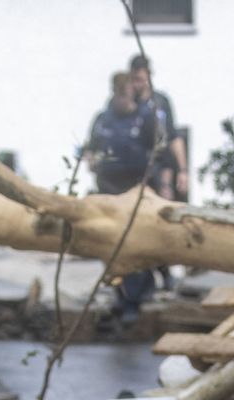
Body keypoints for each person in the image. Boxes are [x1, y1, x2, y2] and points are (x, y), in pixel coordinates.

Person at [84, 73, 159, 324]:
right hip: (108, 186)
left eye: (126, 94)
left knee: (135, 242)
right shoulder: (103, 119)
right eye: (119, 94)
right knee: (113, 243)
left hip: (135, 187)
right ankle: (121, 294)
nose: (122, 99)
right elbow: (90, 147)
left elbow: (159, 149)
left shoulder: (145, 118)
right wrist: (91, 159)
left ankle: (135, 299)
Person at [129, 55, 185, 290]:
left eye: (141, 79)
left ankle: (165, 272)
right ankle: (144, 279)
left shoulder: (161, 103)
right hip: (135, 175)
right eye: (135, 80)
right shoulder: (129, 104)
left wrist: (182, 170)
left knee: (161, 223)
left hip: (161, 173)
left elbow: (173, 137)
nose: (138, 84)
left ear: (149, 76)